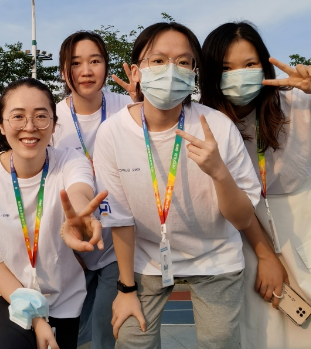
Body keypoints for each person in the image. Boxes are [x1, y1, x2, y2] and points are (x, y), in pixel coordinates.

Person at [200, 21, 311, 349]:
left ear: (264, 65)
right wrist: (266, 255)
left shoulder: (299, 100)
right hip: (250, 232)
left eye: (249, 64)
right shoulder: (206, 121)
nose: (239, 75)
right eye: (226, 68)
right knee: (269, 336)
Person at [95, 22, 262, 349]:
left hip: (216, 255)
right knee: (131, 340)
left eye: (183, 62)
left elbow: (243, 218)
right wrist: (126, 289)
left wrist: (219, 173)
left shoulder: (217, 126)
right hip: (147, 256)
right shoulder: (112, 133)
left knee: (219, 341)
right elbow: (120, 217)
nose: (171, 70)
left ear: (194, 73)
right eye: (158, 60)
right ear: (136, 71)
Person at [0, 78, 107, 349]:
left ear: (53, 124)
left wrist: (80, 217)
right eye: (18, 116)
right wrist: (37, 320)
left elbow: (79, 189)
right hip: (4, 291)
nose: (30, 126)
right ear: (2, 125)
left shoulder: (70, 160)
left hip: (62, 295)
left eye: (41, 116)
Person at [52, 30, 133, 348]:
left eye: (95, 61)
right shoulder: (53, 118)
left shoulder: (128, 107)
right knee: (71, 333)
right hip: (74, 245)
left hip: (119, 240)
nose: (86, 71)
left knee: (104, 331)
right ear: (63, 70)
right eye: (76, 63)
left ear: (106, 66)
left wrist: (148, 105)